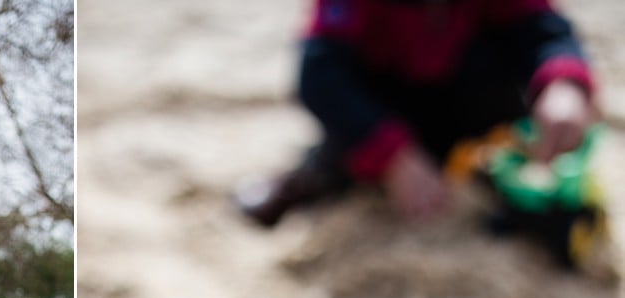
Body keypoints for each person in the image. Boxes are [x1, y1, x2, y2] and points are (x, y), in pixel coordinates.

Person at [236, 0, 598, 226]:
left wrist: (564, 83)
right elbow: (319, 74)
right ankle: (310, 176)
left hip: (473, 107)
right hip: (387, 114)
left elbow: (542, 29)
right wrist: (394, 155)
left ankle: (499, 181)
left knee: (516, 131)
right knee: (342, 139)